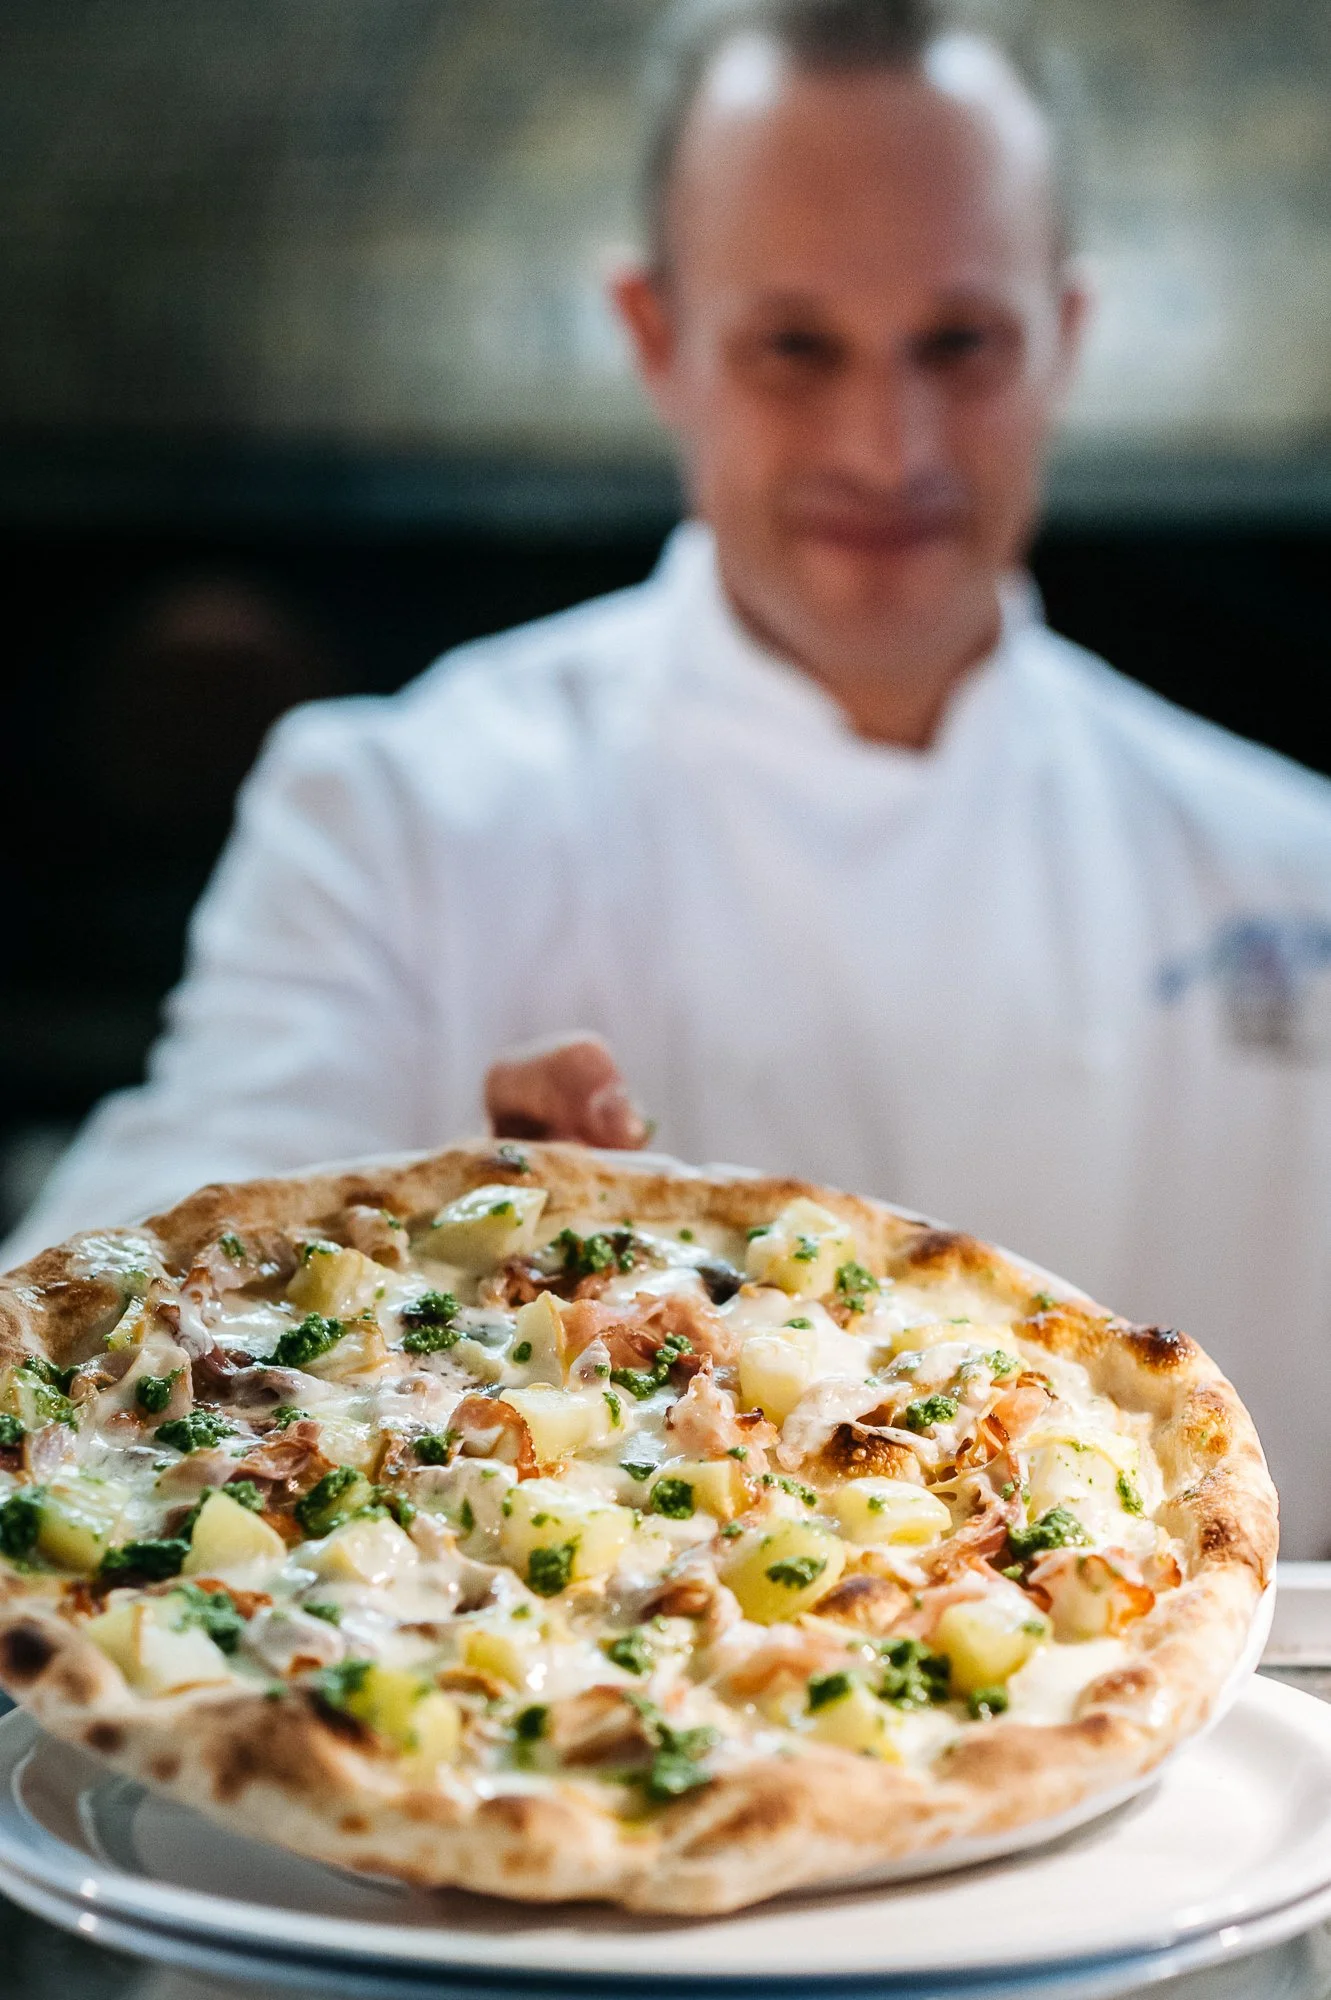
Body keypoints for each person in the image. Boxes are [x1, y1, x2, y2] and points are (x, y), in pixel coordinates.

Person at [8, 0, 1331, 1549]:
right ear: (657, 340)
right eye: (794, 347)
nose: (885, 440)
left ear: (1063, 339)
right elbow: (91, 1323)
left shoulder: (1284, 863)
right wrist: (436, 1243)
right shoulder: (397, 812)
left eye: (956, 344)